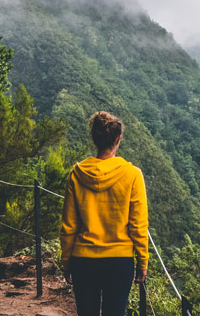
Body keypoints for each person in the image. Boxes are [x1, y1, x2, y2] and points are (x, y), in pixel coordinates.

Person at [61, 111, 149, 316]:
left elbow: (69, 226)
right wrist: (142, 261)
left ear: (94, 138)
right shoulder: (132, 175)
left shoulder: (77, 173)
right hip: (119, 260)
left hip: (83, 259)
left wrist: (66, 261)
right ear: (118, 139)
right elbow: (138, 225)